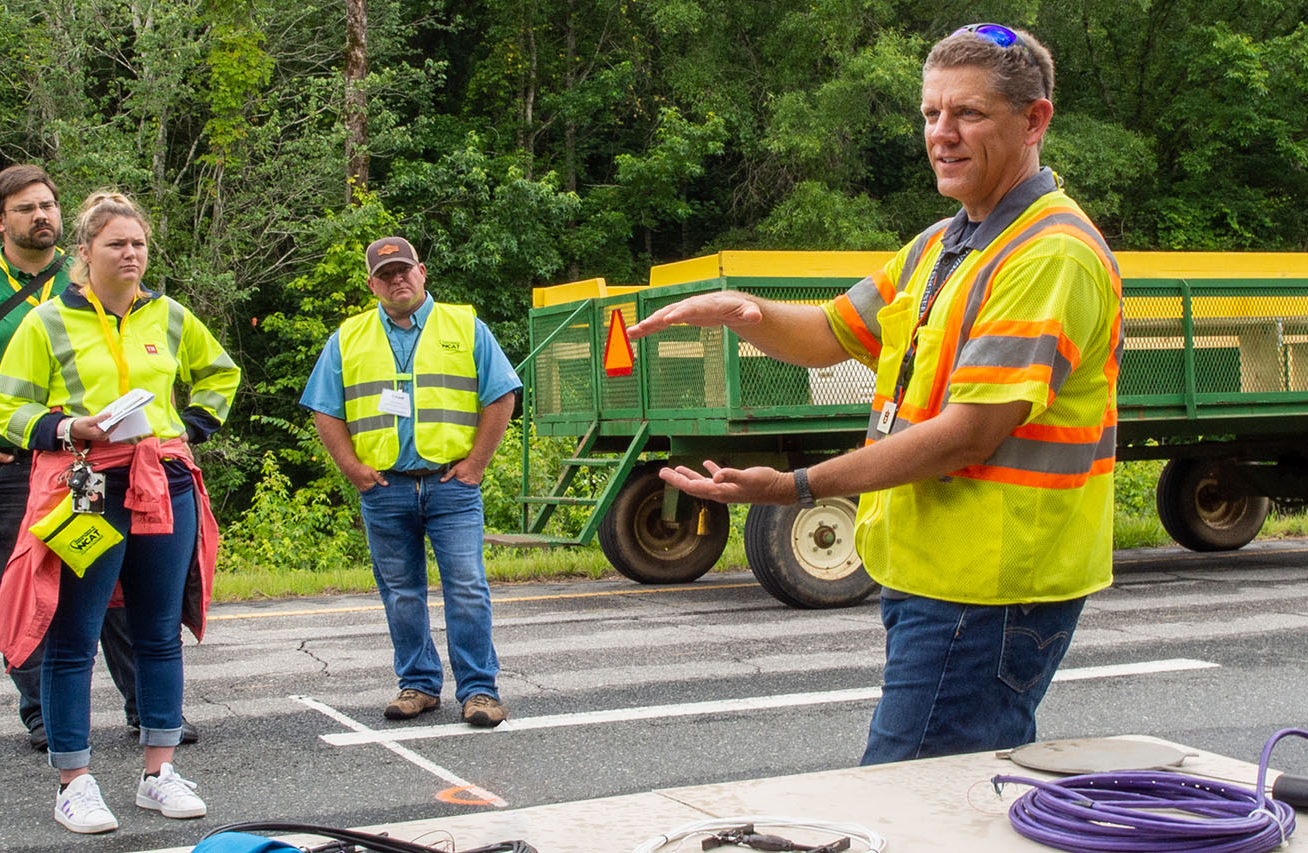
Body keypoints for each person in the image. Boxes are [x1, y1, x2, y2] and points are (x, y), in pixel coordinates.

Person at [626, 24, 1121, 764]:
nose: (941, 134)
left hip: (988, 586)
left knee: (910, 792)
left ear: (1034, 120)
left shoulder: (1048, 253)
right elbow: (830, 331)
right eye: (930, 114)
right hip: (936, 572)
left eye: (968, 114)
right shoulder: (944, 241)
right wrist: (746, 313)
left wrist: (797, 485)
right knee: (958, 795)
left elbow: (966, 434)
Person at [0, 165, 194, 751]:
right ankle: (48, 716)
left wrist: (184, 431)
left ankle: (147, 708)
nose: (40, 215)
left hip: (107, 473)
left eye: (47, 205)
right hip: (11, 469)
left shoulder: (114, 292)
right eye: (24, 208)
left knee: (120, 599)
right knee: (38, 595)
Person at [0, 190, 239, 833]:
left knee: (158, 631)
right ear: (85, 252)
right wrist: (69, 427)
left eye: (138, 244)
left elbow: (220, 373)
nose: (131, 254)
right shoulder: (46, 322)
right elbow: (7, 409)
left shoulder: (171, 316)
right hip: (86, 492)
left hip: (164, 484)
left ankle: (160, 773)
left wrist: (193, 426)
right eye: (115, 244)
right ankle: (75, 781)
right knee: (73, 636)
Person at [303, 237, 522, 728]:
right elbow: (324, 407)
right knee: (401, 592)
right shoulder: (348, 337)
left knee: (466, 587)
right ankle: (419, 685)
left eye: (404, 270)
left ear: (422, 272)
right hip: (386, 489)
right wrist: (353, 470)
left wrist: (476, 465)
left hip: (451, 486)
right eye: (386, 274)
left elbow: (502, 394)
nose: (397, 279)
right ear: (371, 284)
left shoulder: (465, 327)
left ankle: (480, 691)